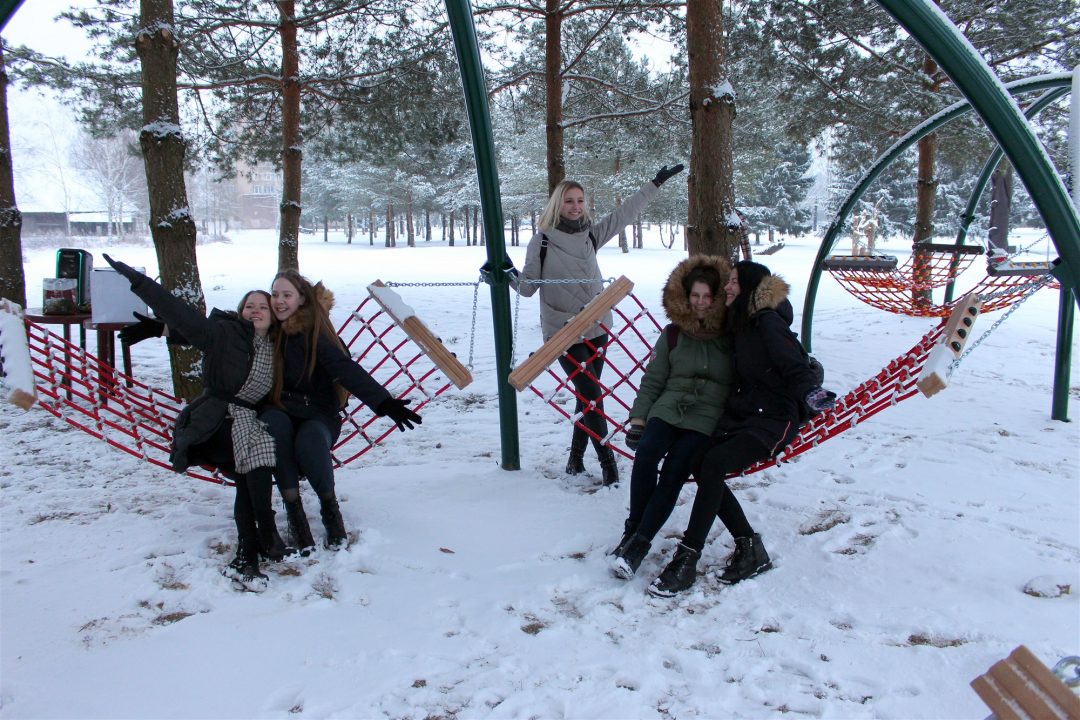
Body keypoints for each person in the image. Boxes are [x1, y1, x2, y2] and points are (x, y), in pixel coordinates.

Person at [647, 261, 837, 598]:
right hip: (745, 415)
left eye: (734, 282)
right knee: (699, 461)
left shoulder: (767, 321)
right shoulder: (740, 323)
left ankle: (687, 558)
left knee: (714, 463)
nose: (728, 287)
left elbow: (793, 364)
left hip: (775, 419)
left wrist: (811, 391)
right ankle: (749, 546)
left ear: (749, 286)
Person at [104, 255, 290, 592]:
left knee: (253, 461)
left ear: (272, 315)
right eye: (249, 306)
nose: (256, 310)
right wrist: (140, 283)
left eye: (263, 306)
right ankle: (264, 534)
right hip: (211, 424)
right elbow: (187, 320)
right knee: (251, 454)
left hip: (247, 425)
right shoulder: (225, 333)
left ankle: (248, 554)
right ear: (240, 312)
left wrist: (162, 331)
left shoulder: (277, 347)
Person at [513, 164, 685, 486]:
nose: (575, 206)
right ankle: (608, 464)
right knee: (592, 395)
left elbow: (625, 214)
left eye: (580, 201)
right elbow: (528, 287)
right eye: (569, 201)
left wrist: (655, 183)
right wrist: (507, 274)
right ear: (557, 205)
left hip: (596, 326)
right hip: (563, 332)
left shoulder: (591, 234)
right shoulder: (542, 241)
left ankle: (575, 459)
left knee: (586, 397)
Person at [262, 270, 422, 552]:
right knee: (274, 430)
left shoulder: (315, 333)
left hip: (317, 413)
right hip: (280, 410)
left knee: (310, 440)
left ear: (302, 299)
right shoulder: (265, 331)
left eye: (287, 295)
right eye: (275, 294)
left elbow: (344, 369)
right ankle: (294, 511)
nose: (279, 301)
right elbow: (222, 339)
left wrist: (384, 403)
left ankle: (330, 509)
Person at [609, 255, 734, 580]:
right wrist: (639, 420)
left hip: (705, 415)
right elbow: (653, 379)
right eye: (695, 296)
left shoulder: (731, 336)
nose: (701, 303)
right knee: (646, 453)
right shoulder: (673, 334)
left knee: (675, 469)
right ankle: (632, 531)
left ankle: (639, 546)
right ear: (686, 296)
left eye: (707, 296)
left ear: (717, 298)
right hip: (668, 407)